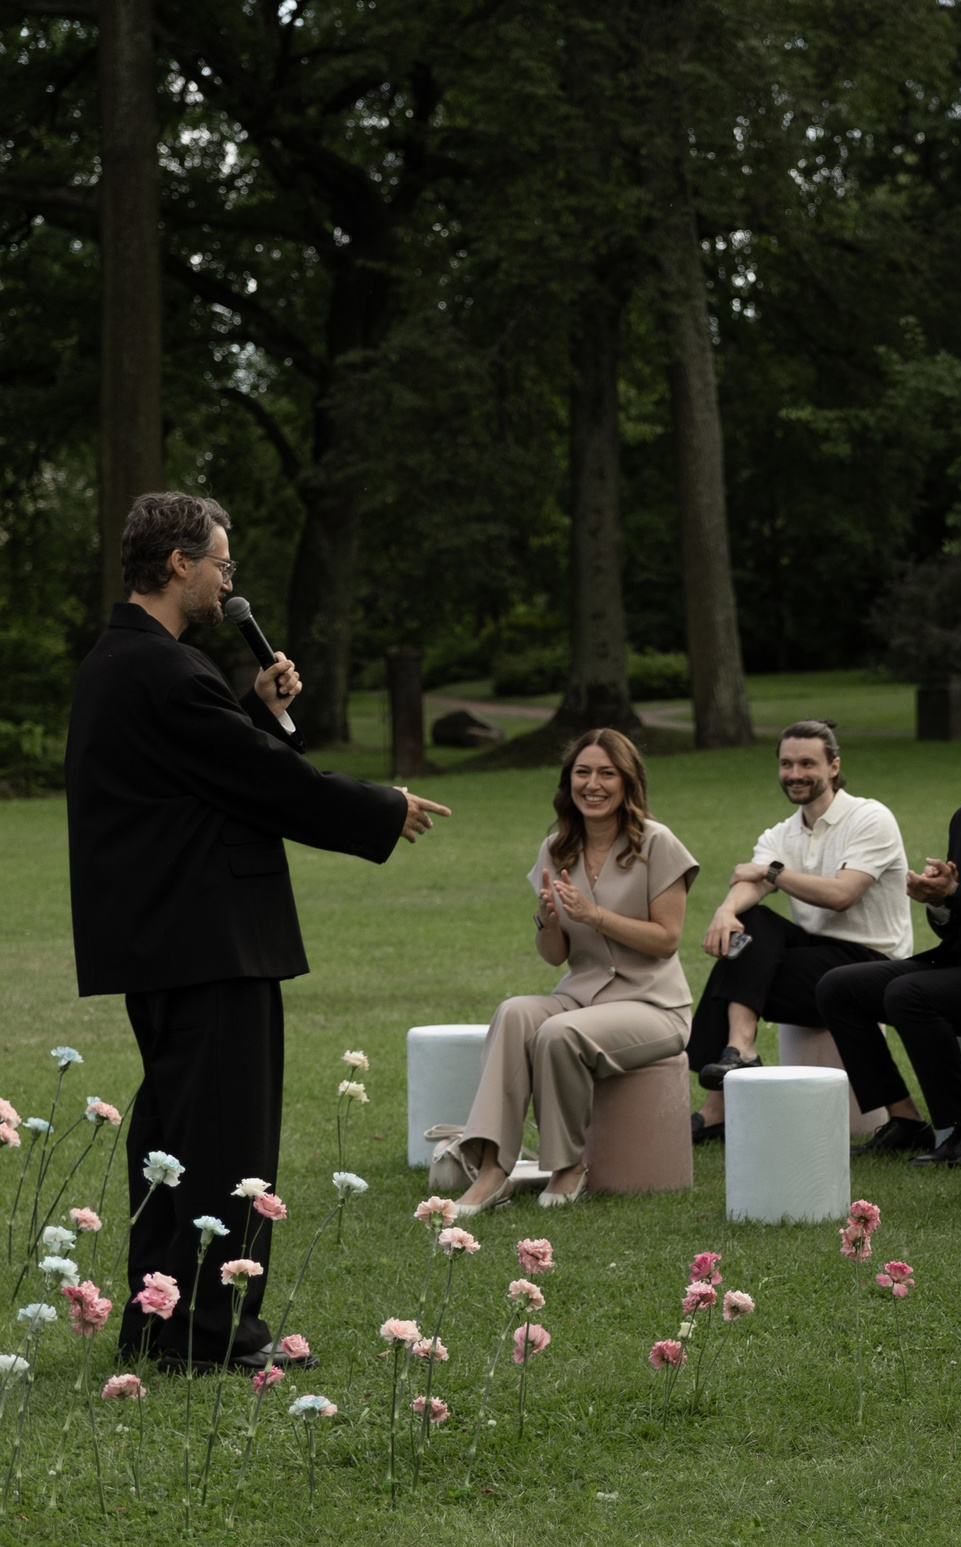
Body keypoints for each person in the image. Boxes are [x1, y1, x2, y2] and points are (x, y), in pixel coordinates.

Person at [72, 492, 445, 1371]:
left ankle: (158, 1320)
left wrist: (256, 706)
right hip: (210, 941)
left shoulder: (121, 663)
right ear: (178, 564)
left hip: (165, 941)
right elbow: (259, 783)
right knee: (224, 1146)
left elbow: (200, 769)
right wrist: (381, 807)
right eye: (221, 566)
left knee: (171, 1143)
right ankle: (211, 1333)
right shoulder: (166, 671)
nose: (226, 583)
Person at [454, 730, 698, 1214]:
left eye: (607, 773)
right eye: (582, 773)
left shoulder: (657, 842)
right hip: (583, 995)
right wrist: (548, 920)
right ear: (568, 783)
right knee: (513, 1014)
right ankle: (491, 1169)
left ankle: (568, 1165)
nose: (593, 784)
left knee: (558, 1034)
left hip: (653, 1005)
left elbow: (667, 938)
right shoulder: (556, 847)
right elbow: (554, 955)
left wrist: (593, 915)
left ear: (628, 782)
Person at [814, 692, 961, 1166]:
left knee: (909, 995)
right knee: (839, 987)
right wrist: (939, 903)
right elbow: (957, 915)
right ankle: (905, 1120)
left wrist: (955, 897)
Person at [686, 720, 912, 1138]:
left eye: (808, 763)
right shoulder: (782, 833)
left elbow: (842, 895)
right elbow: (749, 885)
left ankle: (719, 1101)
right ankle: (741, 1049)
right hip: (815, 955)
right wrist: (724, 910)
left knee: (737, 965)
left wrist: (772, 872)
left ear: (833, 766)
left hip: (874, 961)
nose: (795, 774)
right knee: (747, 926)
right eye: (786, 764)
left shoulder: (869, 817)